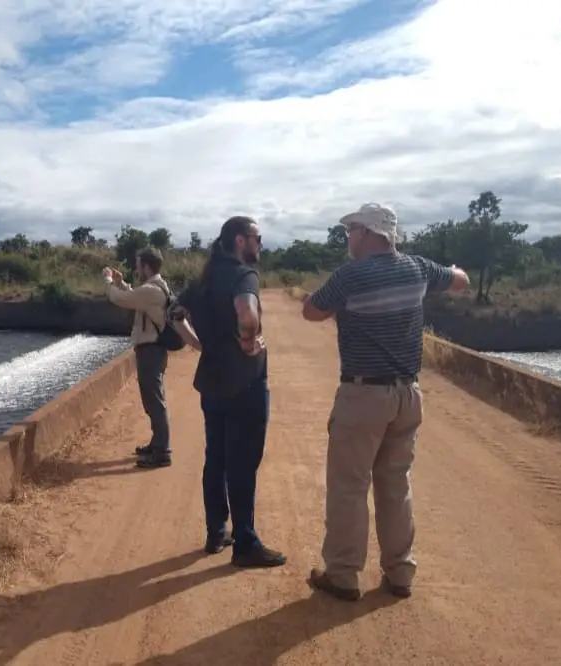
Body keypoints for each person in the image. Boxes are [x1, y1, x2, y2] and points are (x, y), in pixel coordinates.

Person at [302, 202, 470, 601]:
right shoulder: (418, 268)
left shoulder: (351, 276)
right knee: (396, 484)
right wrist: (454, 270)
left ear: (368, 232)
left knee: (349, 485)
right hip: (407, 394)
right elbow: (459, 280)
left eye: (351, 231)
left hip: (363, 394)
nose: (348, 238)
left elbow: (311, 311)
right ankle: (400, 572)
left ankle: (343, 574)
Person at [168, 216, 287, 568]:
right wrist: (250, 344)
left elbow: (175, 313)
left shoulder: (205, 278)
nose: (260, 244)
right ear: (240, 240)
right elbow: (247, 314)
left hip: (213, 382)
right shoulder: (242, 275)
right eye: (257, 238)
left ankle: (216, 531)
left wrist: (198, 344)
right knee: (243, 463)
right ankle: (246, 542)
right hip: (245, 384)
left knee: (216, 458)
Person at [103, 247, 180, 469]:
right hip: (152, 350)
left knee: (155, 401)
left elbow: (120, 299)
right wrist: (121, 282)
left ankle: (162, 452)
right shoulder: (155, 287)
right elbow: (134, 297)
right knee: (152, 399)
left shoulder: (151, 291)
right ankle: (157, 444)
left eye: (138, 264)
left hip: (151, 351)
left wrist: (108, 281)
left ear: (146, 266)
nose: (136, 267)